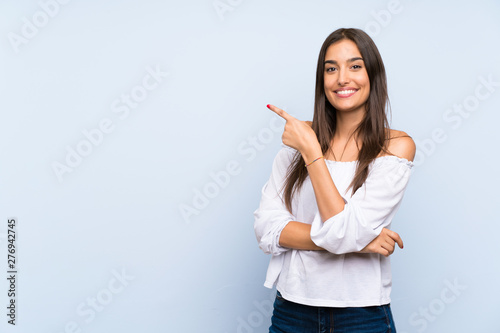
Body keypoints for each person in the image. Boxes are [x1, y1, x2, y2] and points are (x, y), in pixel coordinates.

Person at [253, 27, 416, 332]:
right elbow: (266, 230)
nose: (342, 78)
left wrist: (312, 151)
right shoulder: (297, 144)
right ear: (322, 80)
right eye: (331, 69)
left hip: (360, 315)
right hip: (292, 310)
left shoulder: (395, 147)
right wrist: (361, 243)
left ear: (373, 75)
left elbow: (343, 233)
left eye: (355, 66)